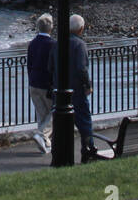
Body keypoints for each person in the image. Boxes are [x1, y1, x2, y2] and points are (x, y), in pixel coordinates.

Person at [48, 14, 97, 162]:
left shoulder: (57, 44)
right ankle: (88, 152)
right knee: (85, 123)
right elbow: (81, 68)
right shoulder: (79, 45)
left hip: (59, 91)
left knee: (59, 126)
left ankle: (57, 156)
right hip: (76, 91)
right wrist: (88, 85)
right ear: (81, 29)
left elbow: (50, 67)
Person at [26, 14, 55, 153]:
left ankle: (45, 144)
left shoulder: (32, 43)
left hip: (33, 82)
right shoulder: (53, 45)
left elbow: (29, 64)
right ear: (51, 27)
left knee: (42, 114)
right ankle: (42, 135)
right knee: (55, 112)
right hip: (46, 84)